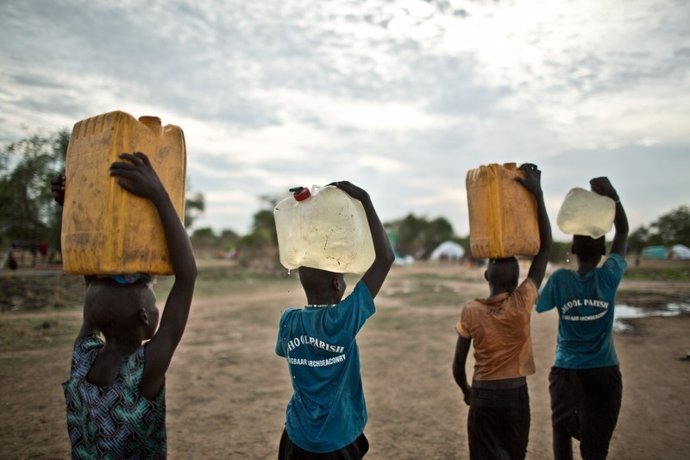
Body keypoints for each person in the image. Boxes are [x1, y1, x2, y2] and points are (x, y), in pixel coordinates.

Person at [55, 152, 197, 459]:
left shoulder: (84, 357)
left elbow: (92, 275)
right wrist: (159, 195)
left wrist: (74, 204)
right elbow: (187, 277)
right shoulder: (145, 370)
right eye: (153, 298)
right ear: (144, 316)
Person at [275, 181, 395, 459]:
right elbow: (385, 258)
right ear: (337, 285)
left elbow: (289, 351)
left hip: (297, 437)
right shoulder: (344, 319)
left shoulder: (288, 321)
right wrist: (364, 198)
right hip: (338, 440)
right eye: (341, 278)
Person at [452, 163, 552, 460]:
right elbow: (544, 249)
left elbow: (458, 368)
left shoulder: (471, 311)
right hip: (514, 397)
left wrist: (467, 391)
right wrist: (538, 194)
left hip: (483, 396)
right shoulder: (523, 303)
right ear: (517, 280)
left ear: (486, 277)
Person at [536, 177, 628, 460]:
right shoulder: (609, 276)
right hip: (604, 373)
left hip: (566, 373)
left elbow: (539, 305)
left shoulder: (560, 280)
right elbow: (622, 231)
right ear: (603, 251)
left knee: (561, 438)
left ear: (572, 250)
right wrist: (613, 196)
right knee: (596, 449)